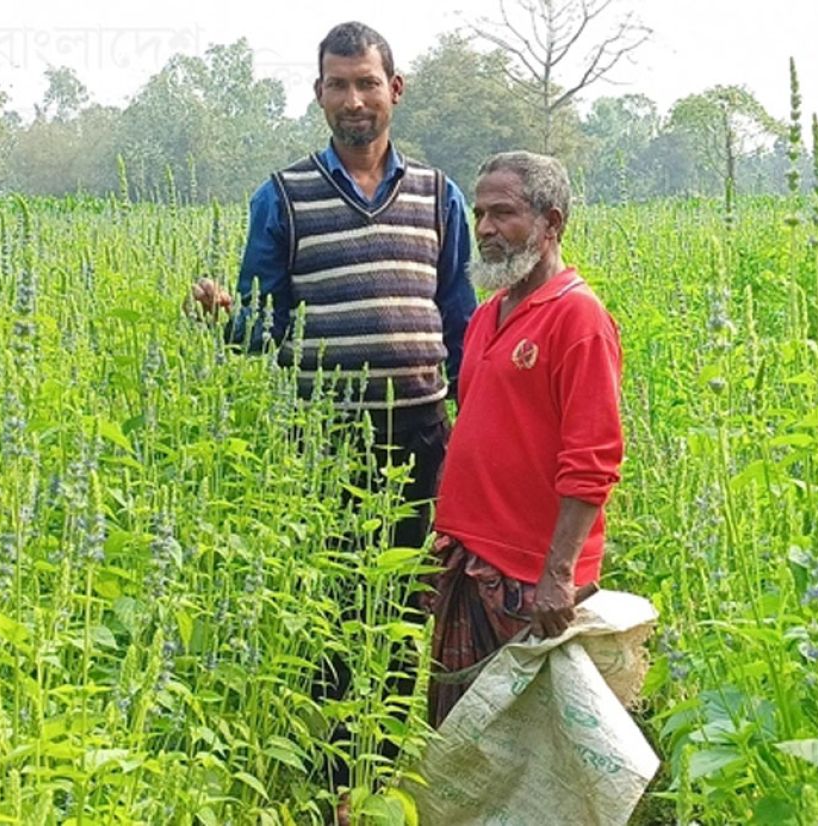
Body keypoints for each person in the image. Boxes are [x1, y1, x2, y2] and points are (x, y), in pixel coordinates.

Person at [186, 20, 475, 817]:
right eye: (338, 85)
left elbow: (459, 321)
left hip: (420, 436)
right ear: (319, 95)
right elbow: (264, 324)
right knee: (335, 606)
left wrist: (479, 423)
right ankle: (333, 783)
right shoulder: (283, 196)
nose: (354, 99)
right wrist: (222, 316)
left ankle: (385, 776)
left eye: (367, 83)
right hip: (324, 436)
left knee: (409, 606)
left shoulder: (438, 196)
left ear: (396, 89)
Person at [425, 150, 624, 727]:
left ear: (552, 222)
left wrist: (558, 576)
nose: (485, 229)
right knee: (464, 745)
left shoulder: (578, 320)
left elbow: (594, 459)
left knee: (527, 753)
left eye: (503, 214)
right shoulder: (488, 315)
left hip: (531, 579)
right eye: (479, 214)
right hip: (474, 562)